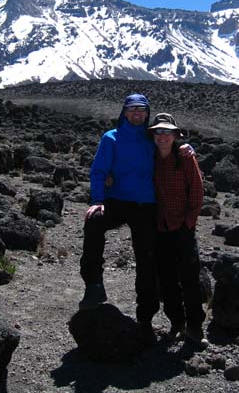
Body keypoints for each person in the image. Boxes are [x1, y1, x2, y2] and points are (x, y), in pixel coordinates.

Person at [79, 93, 160, 342]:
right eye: (132, 109)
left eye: (142, 110)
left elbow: (172, 149)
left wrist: (186, 148)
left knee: (147, 260)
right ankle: (94, 286)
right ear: (124, 112)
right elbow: (99, 171)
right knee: (93, 223)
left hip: (146, 205)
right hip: (117, 201)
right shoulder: (111, 138)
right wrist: (97, 201)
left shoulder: (152, 139)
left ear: (147, 114)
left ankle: (145, 318)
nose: (137, 113)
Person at [148, 112, 208, 348]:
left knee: (190, 279)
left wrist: (189, 221)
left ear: (175, 135)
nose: (163, 136)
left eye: (167, 132)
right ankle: (177, 323)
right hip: (159, 227)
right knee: (167, 280)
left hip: (182, 227)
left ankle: (195, 327)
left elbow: (197, 189)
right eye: (158, 132)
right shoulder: (149, 157)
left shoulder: (184, 156)